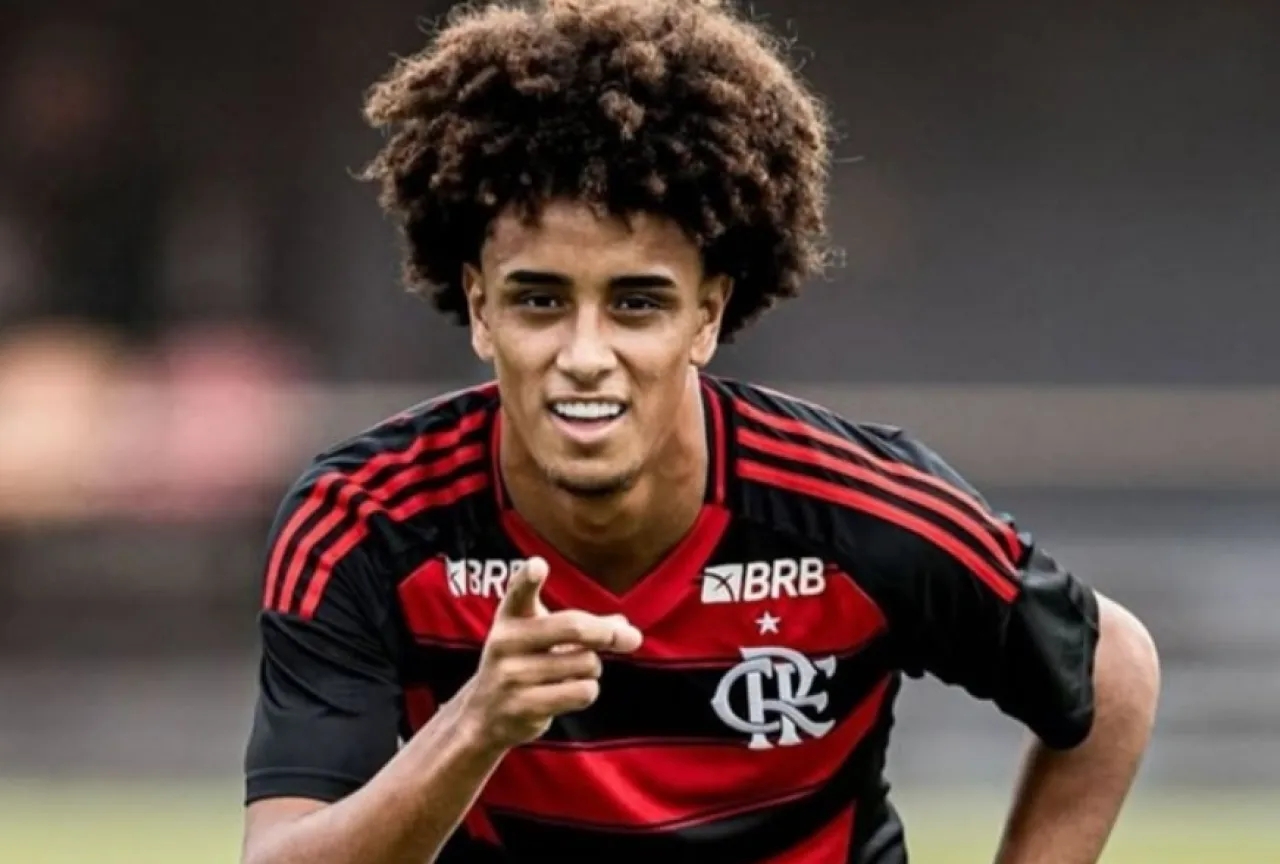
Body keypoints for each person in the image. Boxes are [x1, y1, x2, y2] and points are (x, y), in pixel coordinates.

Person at [240, 2, 1160, 862]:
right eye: (540, 301)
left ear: (707, 316)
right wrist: (473, 726)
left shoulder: (861, 509)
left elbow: (1113, 671)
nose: (585, 355)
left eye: (637, 303)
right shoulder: (361, 522)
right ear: (480, 309)